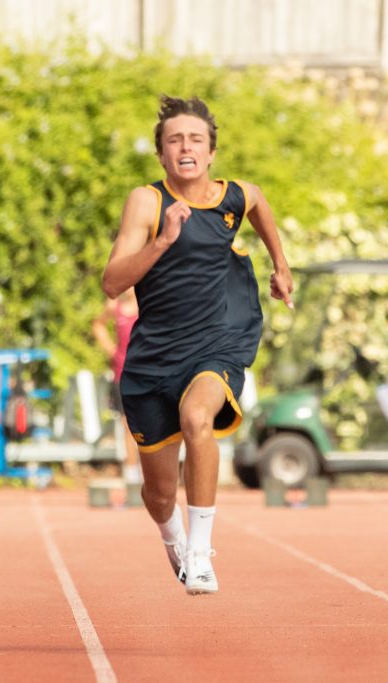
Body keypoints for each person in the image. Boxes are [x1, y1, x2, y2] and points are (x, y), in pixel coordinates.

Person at [102, 95, 293, 595]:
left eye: (195, 140)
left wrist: (281, 265)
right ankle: (175, 540)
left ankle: (201, 554)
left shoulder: (234, 196)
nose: (185, 147)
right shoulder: (147, 201)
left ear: (210, 152)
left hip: (217, 344)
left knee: (197, 418)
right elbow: (111, 282)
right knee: (160, 494)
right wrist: (162, 241)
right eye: (174, 140)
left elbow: (259, 203)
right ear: (162, 155)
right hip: (152, 359)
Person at [91, 289, 142, 485]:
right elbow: (98, 325)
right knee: (127, 423)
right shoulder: (115, 307)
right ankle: (131, 470)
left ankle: (149, 469)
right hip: (123, 373)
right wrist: (111, 349)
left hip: (146, 371)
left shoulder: (147, 304)